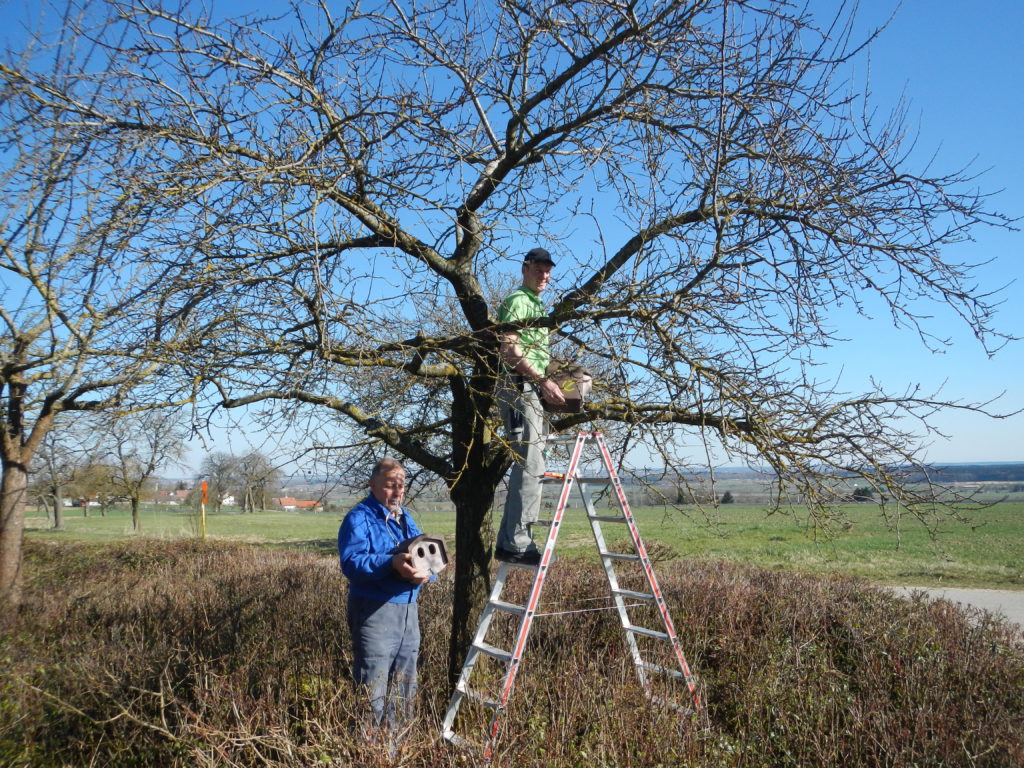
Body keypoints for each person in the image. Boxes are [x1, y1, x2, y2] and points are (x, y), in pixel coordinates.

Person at [338, 459, 430, 742]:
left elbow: (423, 555)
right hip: (374, 611)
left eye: (401, 485)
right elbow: (352, 563)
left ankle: (397, 750)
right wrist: (390, 563)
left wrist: (425, 575)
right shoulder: (359, 518)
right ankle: (368, 753)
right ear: (373, 485)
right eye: (391, 485)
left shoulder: (406, 518)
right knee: (372, 688)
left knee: (404, 686)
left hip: (408, 611)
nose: (397, 491)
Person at [494, 247, 566, 566]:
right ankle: (517, 542)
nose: (545, 275)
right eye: (539, 269)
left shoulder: (537, 306)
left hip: (531, 388)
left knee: (533, 463)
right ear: (525, 269)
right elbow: (509, 351)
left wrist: (561, 383)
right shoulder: (517, 302)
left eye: (548, 270)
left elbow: (537, 356)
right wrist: (542, 381)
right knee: (530, 464)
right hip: (518, 385)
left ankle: (514, 539)